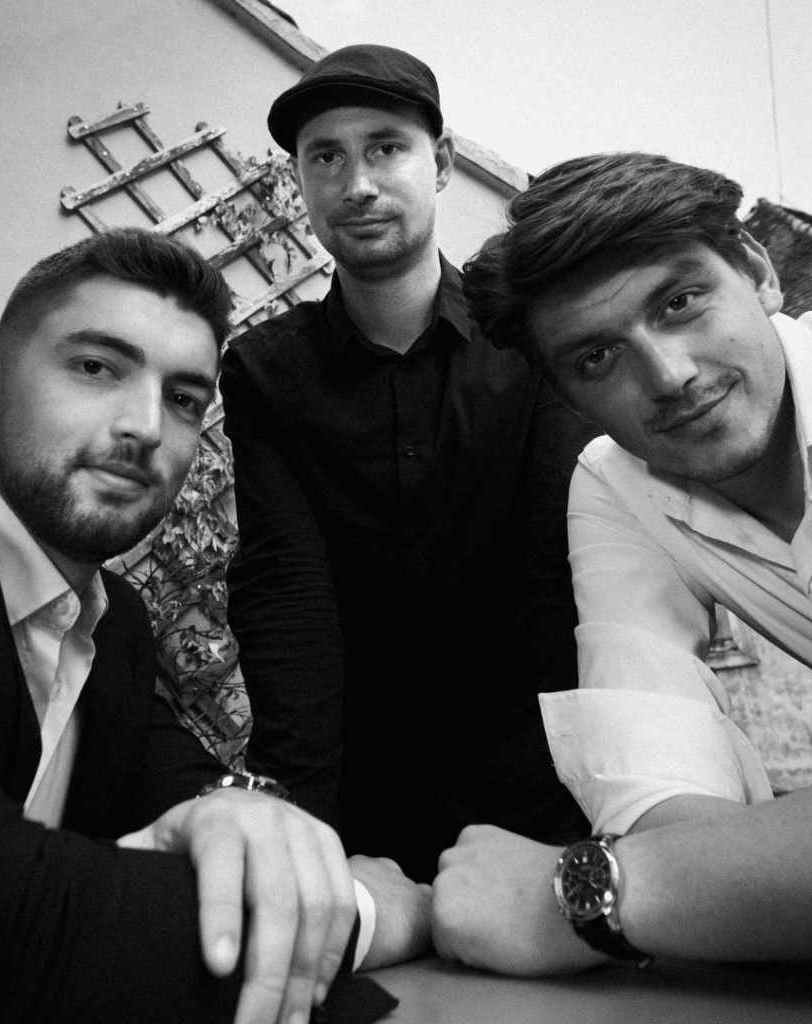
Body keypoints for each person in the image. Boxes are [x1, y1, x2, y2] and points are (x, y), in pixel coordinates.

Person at [0, 228, 417, 1024]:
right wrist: (372, 910)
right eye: (96, 367)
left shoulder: (111, 634)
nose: (146, 426)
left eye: (183, 399)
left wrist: (243, 816)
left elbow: (203, 798)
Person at [430, 152, 812, 976]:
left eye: (679, 302)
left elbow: (677, 880)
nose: (670, 376)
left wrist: (582, 901)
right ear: (567, 396)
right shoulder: (615, 487)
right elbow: (663, 805)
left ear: (759, 273)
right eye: (597, 358)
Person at [219, 45, 596, 886]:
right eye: (326, 158)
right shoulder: (267, 373)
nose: (356, 184)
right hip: (366, 815)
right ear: (301, 182)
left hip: (547, 802)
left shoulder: (531, 343)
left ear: (443, 163)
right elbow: (288, 592)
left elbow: (566, 569)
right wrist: (300, 835)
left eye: (385, 148)